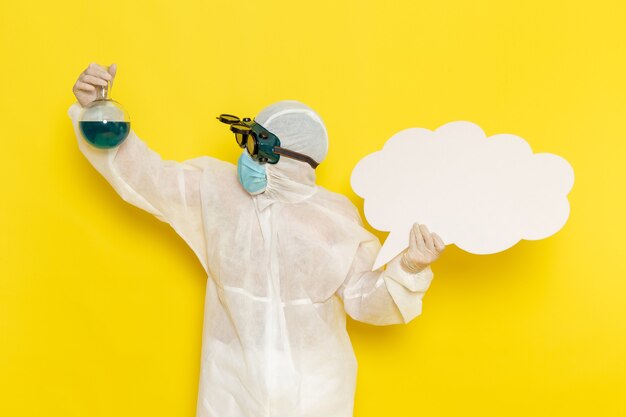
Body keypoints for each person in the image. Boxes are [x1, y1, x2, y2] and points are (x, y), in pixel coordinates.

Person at [69, 63, 446, 417]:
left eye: (258, 147)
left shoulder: (333, 217)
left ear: (295, 160)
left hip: (314, 390)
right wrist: (99, 111)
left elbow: (364, 300)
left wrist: (408, 267)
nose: (246, 157)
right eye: (246, 141)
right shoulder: (216, 190)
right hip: (230, 383)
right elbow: (146, 177)